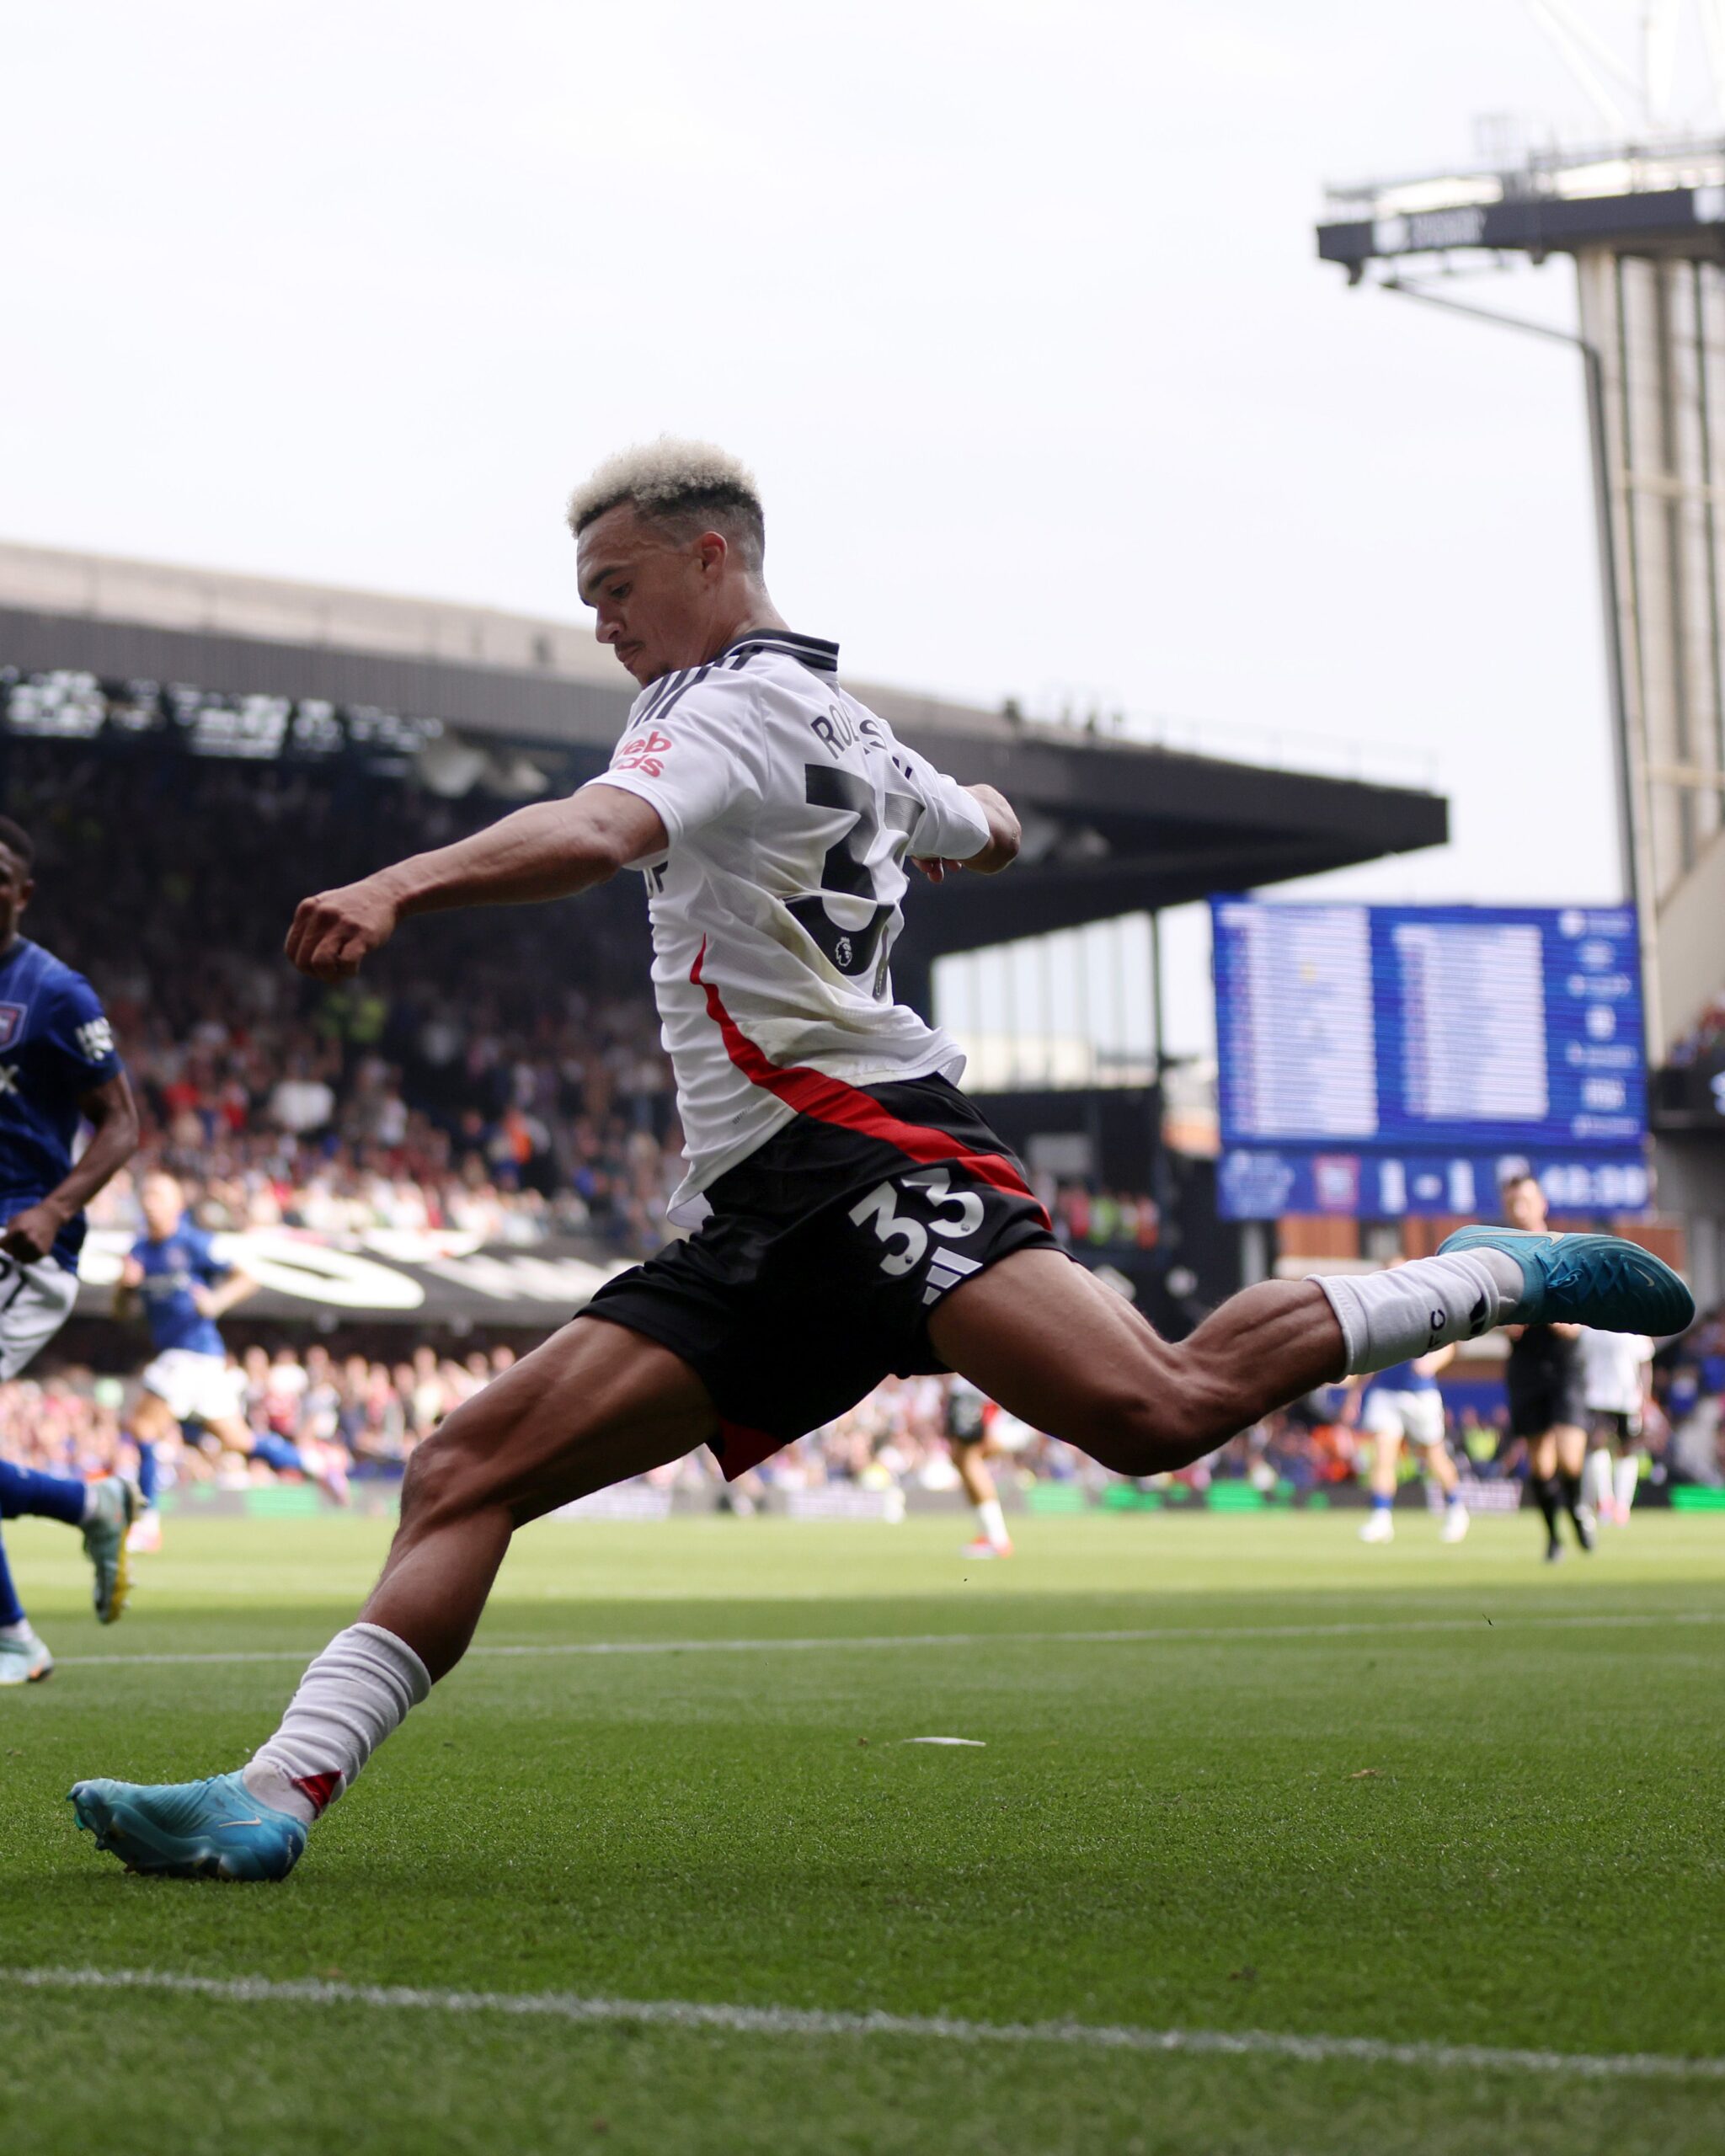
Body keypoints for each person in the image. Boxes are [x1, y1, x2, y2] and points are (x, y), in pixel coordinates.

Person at [69, 439, 1693, 1877]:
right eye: (584, 594)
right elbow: (970, 818)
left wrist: (401, 884)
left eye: (618, 583)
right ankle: (274, 1795)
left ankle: (1502, 1270)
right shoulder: (822, 717)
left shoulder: (725, 711)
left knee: (1154, 1410)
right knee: (460, 1469)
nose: (600, 618)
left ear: (716, 558)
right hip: (750, 1212)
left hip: (868, 1151)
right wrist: (967, 808)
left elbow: (594, 834)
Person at [0, 816, 142, 1684]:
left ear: (22, 891)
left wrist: (54, 1209)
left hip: (19, 1242)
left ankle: (13, 1634)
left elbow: (123, 1121)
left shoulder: (54, 991)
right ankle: (88, 1502)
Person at [116, 1171, 349, 1544]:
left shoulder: (193, 1243)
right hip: (194, 1360)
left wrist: (216, 1301)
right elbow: (121, 1312)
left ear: (178, 1205)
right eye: (146, 1195)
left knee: (142, 1429)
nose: (149, 1202)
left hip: (191, 1353)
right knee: (238, 1440)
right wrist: (123, 1287)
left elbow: (247, 1276)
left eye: (158, 1195)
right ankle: (316, 1465)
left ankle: (147, 1525)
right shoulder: (139, 1252)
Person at [1498, 1172, 1594, 1561]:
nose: (1519, 1209)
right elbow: (1497, 1317)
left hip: (1564, 1364)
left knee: (1571, 1457)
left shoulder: (1565, 1251)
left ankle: (1575, 1508)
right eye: (1512, 1203)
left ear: (1542, 1204)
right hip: (1526, 1366)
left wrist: (1560, 1320)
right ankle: (1553, 1537)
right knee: (1540, 1463)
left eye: (1525, 1200)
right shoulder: (1501, 1259)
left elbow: (1581, 1318)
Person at [1354, 1341, 1469, 1545]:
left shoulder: (1428, 1309)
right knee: (1383, 1458)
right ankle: (1381, 1517)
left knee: (1434, 1457)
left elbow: (1449, 1344)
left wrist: (1431, 1364)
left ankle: (1456, 1508)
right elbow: (1372, 1352)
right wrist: (1354, 1394)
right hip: (1385, 1393)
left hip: (1421, 1394)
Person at [1579, 1324, 1653, 1526]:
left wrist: (1645, 1398)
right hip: (1598, 1398)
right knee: (1597, 1445)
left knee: (1627, 1449)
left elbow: (1645, 1363)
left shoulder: (1635, 1327)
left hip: (1627, 1399)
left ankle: (1622, 1505)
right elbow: (1580, 1361)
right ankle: (1604, 1500)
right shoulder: (1591, 1327)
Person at [946, 1374, 1012, 1557]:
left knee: (969, 1459)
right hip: (968, 1391)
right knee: (961, 1459)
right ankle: (987, 1535)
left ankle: (997, 1540)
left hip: (975, 1392)